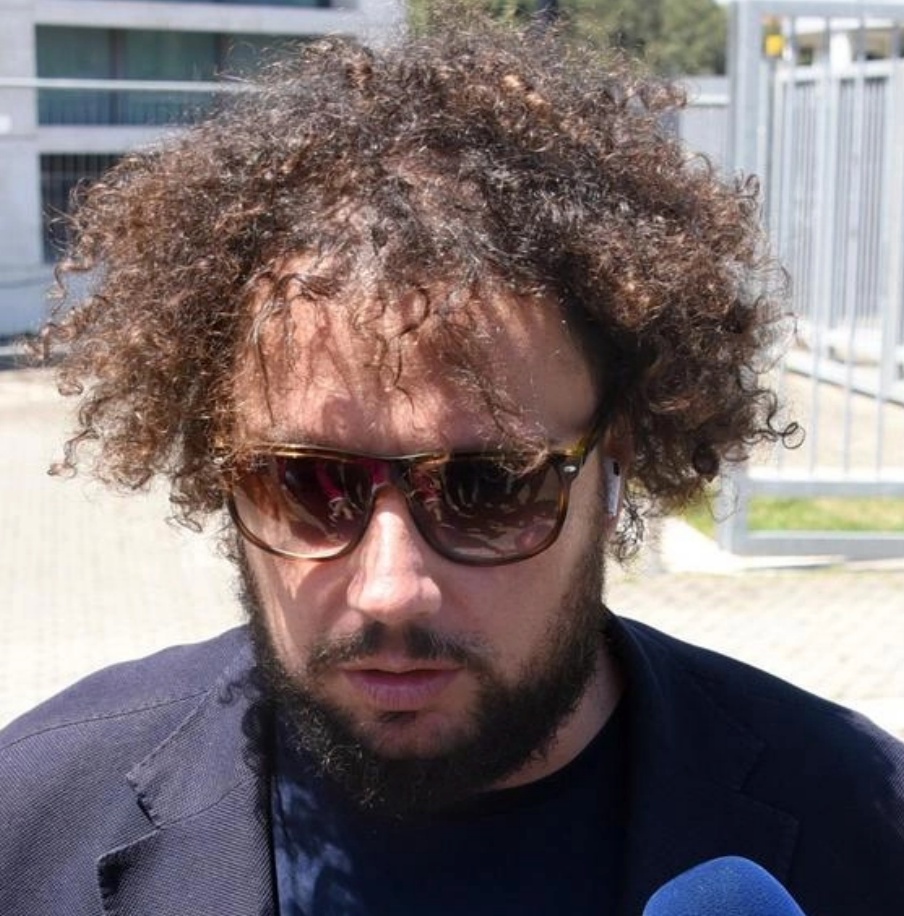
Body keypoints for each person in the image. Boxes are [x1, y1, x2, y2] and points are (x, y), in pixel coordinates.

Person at [1, 12, 902, 916]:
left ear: (616, 460)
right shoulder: (32, 824)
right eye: (307, 483)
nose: (391, 591)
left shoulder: (863, 829)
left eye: (487, 487)